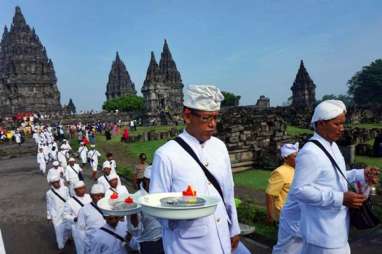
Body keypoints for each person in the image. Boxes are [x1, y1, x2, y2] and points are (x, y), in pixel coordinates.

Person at [278, 100, 380, 254]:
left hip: (337, 228)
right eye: (336, 124)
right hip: (322, 233)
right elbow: (299, 191)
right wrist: (340, 198)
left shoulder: (331, 146)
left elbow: (334, 177)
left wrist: (361, 174)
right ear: (320, 124)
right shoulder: (310, 152)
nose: (342, 129)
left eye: (342, 124)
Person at [150, 85, 241, 254]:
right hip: (186, 243)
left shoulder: (219, 147)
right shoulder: (166, 155)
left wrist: (234, 228)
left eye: (215, 117)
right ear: (187, 116)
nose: (213, 124)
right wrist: (181, 214)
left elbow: (228, 191)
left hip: (222, 236)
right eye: (206, 118)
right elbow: (156, 204)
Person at [128, 165, 164, 254]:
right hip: (148, 243)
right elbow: (134, 230)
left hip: (164, 239)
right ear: (145, 180)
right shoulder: (137, 198)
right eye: (154, 182)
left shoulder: (162, 195)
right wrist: (133, 214)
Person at [265, 143, 298, 223]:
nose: (298, 159)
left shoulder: (298, 170)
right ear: (286, 158)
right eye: (295, 156)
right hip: (284, 213)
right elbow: (270, 194)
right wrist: (271, 216)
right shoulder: (280, 172)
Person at [63, 181, 92, 254]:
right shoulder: (70, 201)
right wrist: (74, 218)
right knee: (80, 248)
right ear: (75, 190)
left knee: (91, 246)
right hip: (78, 229)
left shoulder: (89, 197)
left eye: (83, 188)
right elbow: (65, 215)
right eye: (79, 189)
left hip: (91, 226)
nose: (82, 190)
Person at [77, 184, 106, 254]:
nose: (100, 198)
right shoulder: (84, 210)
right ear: (91, 196)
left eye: (102, 195)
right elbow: (81, 231)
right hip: (92, 245)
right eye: (97, 195)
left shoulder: (109, 207)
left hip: (108, 244)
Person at [46, 173, 71, 252]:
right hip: (56, 215)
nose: (56, 183)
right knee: (59, 231)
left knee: (68, 228)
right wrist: (49, 216)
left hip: (66, 213)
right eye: (54, 183)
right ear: (51, 184)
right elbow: (49, 205)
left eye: (57, 182)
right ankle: (61, 247)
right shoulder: (49, 193)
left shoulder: (66, 189)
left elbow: (69, 199)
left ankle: (66, 239)